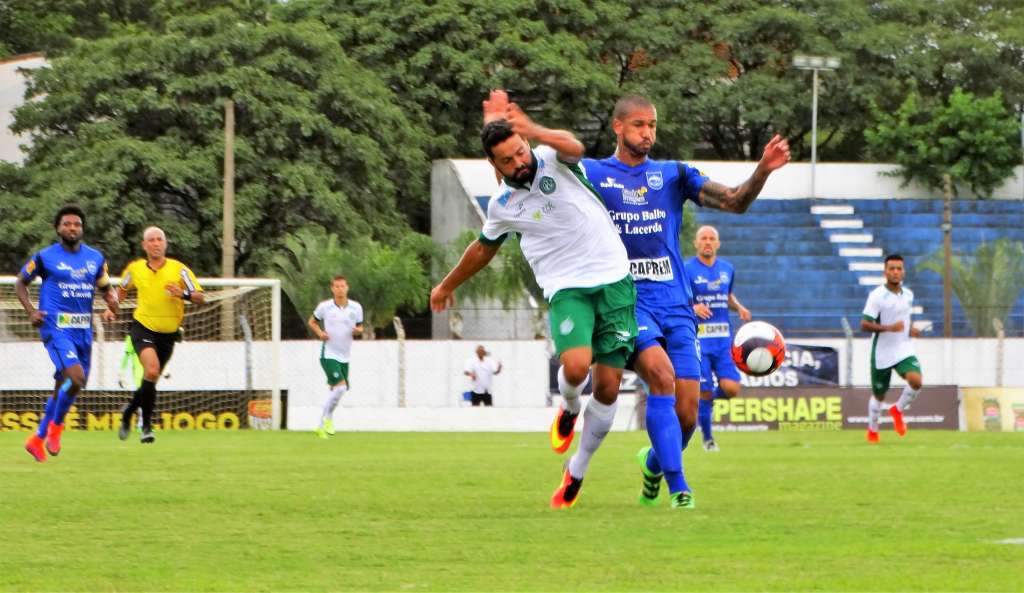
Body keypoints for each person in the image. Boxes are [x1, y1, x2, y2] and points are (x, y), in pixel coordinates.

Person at [431, 89, 637, 509]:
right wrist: (447, 285)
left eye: (520, 152)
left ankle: (576, 471)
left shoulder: (550, 158)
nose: (519, 162)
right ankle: (568, 407)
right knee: (577, 366)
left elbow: (575, 146)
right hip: (567, 288)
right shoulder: (503, 205)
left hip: (615, 280)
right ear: (494, 166)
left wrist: (532, 130)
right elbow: (484, 248)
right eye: (507, 160)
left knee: (610, 388)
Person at [582, 94, 789, 507]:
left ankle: (654, 465)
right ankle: (680, 489)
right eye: (639, 125)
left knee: (688, 414)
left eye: (653, 126)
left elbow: (734, 201)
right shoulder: (590, 173)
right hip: (627, 301)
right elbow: (535, 186)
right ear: (618, 127)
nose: (648, 133)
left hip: (676, 304)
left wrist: (762, 171)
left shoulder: (673, 175)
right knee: (660, 376)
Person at [16, 204, 119, 462]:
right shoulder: (44, 257)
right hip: (56, 326)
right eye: (67, 224)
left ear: (82, 229)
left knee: (66, 384)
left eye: (77, 224)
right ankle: (56, 429)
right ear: (58, 228)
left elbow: (105, 286)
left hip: (83, 328)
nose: (72, 228)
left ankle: (37, 439)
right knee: (76, 378)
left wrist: (112, 299)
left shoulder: (95, 258)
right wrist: (31, 311)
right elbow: (21, 282)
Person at [114, 226, 204, 444]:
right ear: (144, 245)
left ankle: (129, 413)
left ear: (165, 243)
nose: (156, 243)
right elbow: (122, 290)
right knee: (152, 370)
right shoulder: (135, 269)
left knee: (150, 380)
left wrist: (182, 294)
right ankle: (146, 427)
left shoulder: (179, 269)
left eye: (159, 239)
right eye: (151, 240)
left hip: (168, 333)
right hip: (143, 327)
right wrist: (112, 307)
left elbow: (200, 296)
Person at [686, 225, 752, 452]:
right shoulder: (687, 269)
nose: (707, 242)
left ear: (718, 243)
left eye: (711, 238)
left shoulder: (727, 269)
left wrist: (739, 307)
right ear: (696, 243)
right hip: (699, 340)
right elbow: (677, 297)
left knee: (732, 388)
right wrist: (693, 307)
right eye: (703, 238)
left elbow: (727, 295)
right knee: (704, 391)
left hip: (724, 340)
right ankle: (707, 439)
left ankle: (703, 404)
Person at [860, 254, 923, 443]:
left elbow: (903, 319)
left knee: (916, 381)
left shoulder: (909, 295)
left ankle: (897, 409)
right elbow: (864, 324)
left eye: (899, 268)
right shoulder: (877, 296)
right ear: (885, 272)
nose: (895, 272)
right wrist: (889, 328)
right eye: (892, 268)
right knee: (879, 395)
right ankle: (873, 430)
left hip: (903, 348)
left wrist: (910, 330)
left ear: (903, 272)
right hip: (882, 352)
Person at [308, 275, 363, 438]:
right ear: (332, 289)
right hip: (329, 353)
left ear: (347, 288)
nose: (340, 289)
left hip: (345, 355)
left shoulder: (356, 308)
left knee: (337, 389)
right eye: (337, 286)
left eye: (342, 286)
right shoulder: (325, 307)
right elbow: (312, 321)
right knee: (340, 388)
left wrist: (358, 331)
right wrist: (320, 333)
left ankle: (329, 420)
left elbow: (360, 326)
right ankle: (320, 423)